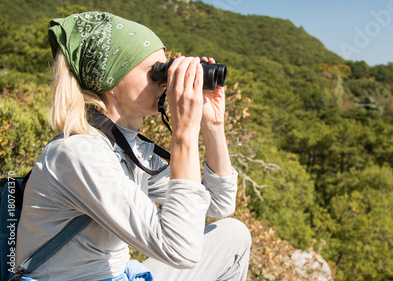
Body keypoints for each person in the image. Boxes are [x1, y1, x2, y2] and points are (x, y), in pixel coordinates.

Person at [15, 11, 251, 281]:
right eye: (155, 72)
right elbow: (181, 250)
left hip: (121, 276)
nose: (165, 80)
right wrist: (184, 132)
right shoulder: (77, 154)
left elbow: (219, 203)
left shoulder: (131, 150)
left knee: (234, 235)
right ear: (110, 80)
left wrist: (213, 125)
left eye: (166, 68)